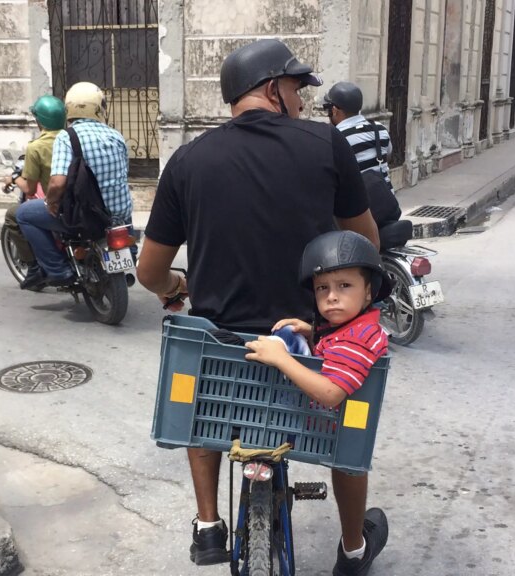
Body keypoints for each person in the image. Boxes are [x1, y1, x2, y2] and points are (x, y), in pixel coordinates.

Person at [135, 38, 382, 575]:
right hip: (309, 345)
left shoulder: (188, 160)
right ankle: (353, 549)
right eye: (297, 88)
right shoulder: (326, 144)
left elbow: (149, 273)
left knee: (199, 396)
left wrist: (176, 292)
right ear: (274, 88)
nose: (302, 101)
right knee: (348, 434)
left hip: (226, 345)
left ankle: (206, 526)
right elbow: (368, 245)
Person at [244, 230, 390, 575]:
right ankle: (354, 551)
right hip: (318, 420)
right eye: (323, 288)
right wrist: (311, 332)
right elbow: (337, 349)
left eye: (345, 286)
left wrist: (281, 358)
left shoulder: (362, 337)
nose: (332, 297)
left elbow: (330, 392)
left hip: (324, 419)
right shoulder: (354, 328)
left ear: (368, 292)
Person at [16, 82, 133, 290]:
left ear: (69, 109)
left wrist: (51, 202)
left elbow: (57, 182)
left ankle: (58, 270)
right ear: (100, 108)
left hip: (86, 216)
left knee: (24, 214)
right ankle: (127, 257)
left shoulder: (67, 137)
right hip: (119, 215)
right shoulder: (117, 136)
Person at [2, 95, 66, 288]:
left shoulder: (36, 147)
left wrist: (13, 178)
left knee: (16, 215)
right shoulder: (72, 138)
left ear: (40, 121)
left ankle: (34, 267)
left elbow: (30, 188)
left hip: (57, 204)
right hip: (82, 202)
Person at [323, 81, 393, 188]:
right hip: (386, 200)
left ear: (334, 110)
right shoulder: (380, 129)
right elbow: (388, 155)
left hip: (360, 203)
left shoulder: (335, 138)